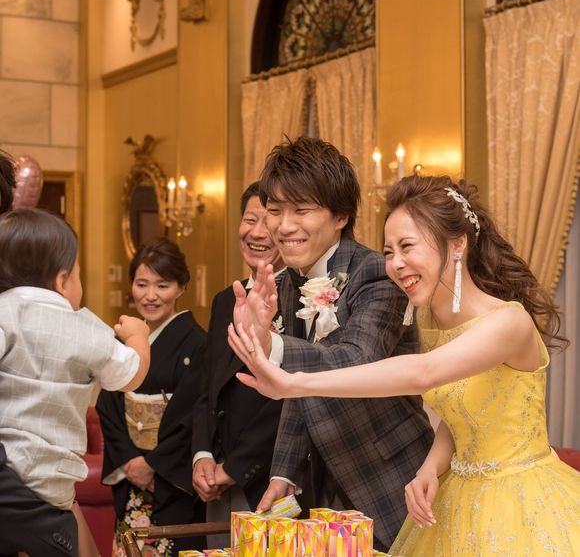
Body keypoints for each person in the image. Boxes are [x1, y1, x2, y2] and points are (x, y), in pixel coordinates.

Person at [230, 174, 580, 555]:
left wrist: (293, 383)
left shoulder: (509, 322)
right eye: (388, 251)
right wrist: (430, 467)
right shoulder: (435, 321)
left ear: (457, 244)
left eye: (407, 246)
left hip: (522, 502)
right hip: (458, 496)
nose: (396, 264)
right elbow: (464, 411)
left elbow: (423, 372)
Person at [231, 137, 434, 550]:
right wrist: (284, 473)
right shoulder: (288, 282)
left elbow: (358, 360)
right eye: (275, 211)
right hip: (322, 485)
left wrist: (272, 346)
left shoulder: (377, 273)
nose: (284, 226)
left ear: (340, 215)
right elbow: (300, 388)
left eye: (301, 210)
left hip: (391, 477)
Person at [0, 208, 150, 557]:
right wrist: (138, 337)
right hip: (50, 487)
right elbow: (131, 374)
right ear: (63, 281)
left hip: (6, 472)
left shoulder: (4, 312)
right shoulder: (85, 328)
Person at [97, 238, 207, 556]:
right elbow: (109, 406)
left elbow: (192, 416)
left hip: (169, 480)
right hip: (131, 475)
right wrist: (130, 460)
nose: (150, 295)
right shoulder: (124, 339)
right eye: (142, 284)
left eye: (162, 285)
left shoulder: (197, 343)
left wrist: (153, 465)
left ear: (181, 287)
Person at [191, 182, 286, 548]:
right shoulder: (222, 301)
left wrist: (234, 468)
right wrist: (202, 456)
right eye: (249, 220)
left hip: (270, 480)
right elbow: (207, 387)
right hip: (215, 482)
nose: (257, 233)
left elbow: (288, 399)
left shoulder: (302, 302)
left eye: (269, 221)